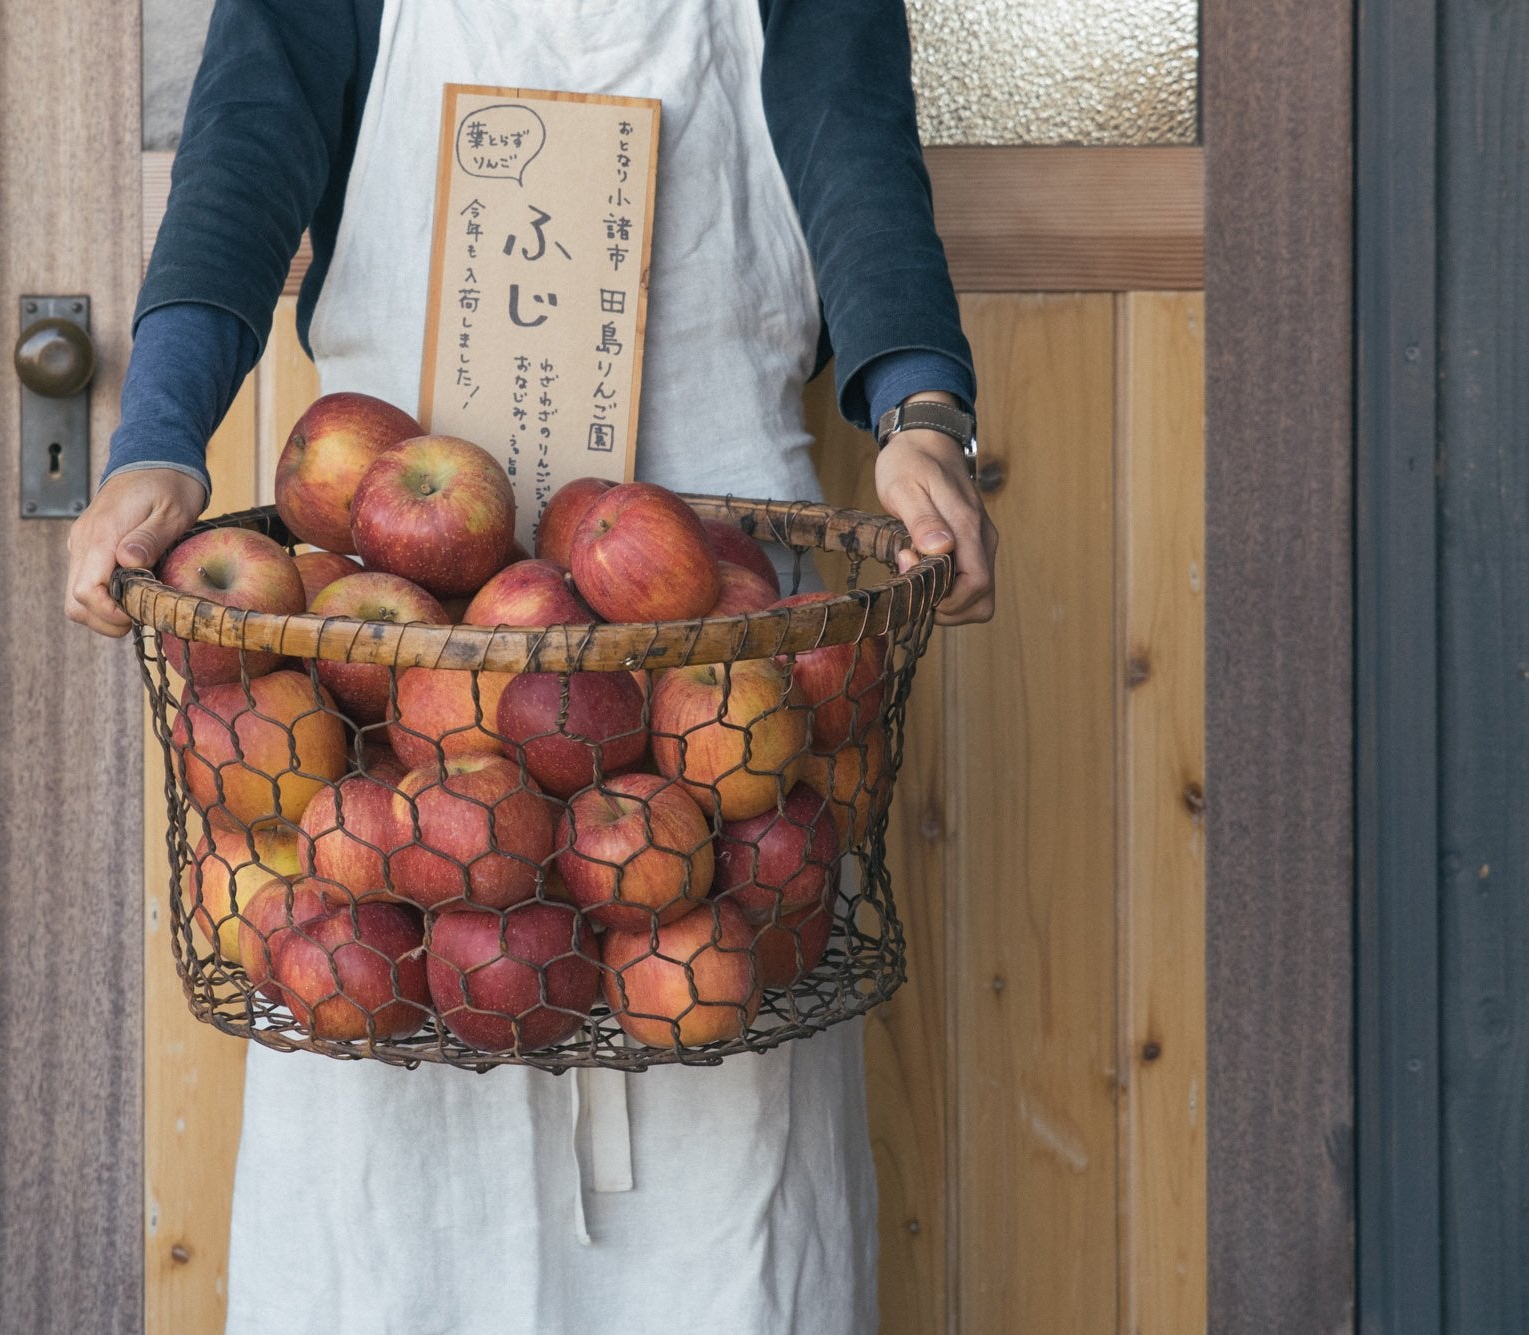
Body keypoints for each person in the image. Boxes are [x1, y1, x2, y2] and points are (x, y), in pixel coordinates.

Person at [66, 2, 997, 1330]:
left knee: (724, 1182)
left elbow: (856, 155)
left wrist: (923, 410)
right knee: (393, 1144)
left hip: (716, 654)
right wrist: (158, 439)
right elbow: (245, 155)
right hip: (401, 659)